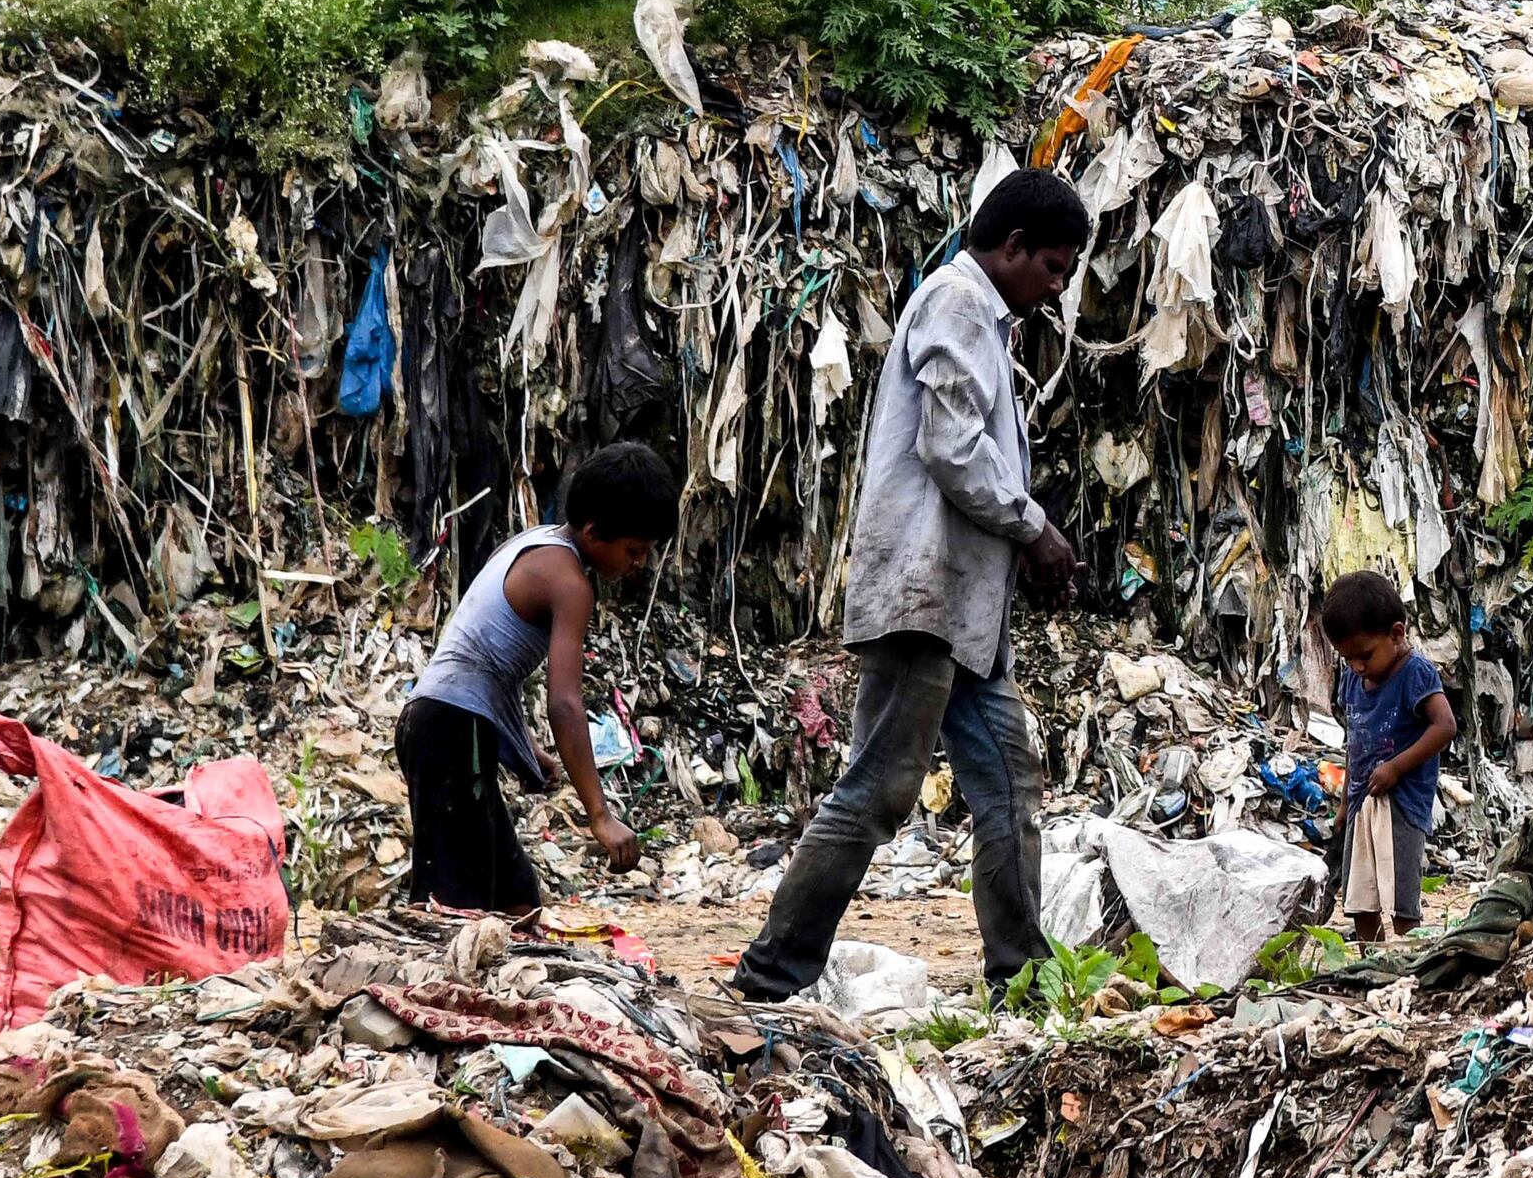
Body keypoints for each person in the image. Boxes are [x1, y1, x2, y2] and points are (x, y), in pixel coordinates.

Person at [733, 169, 1088, 1004]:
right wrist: (1032, 527)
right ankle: (770, 975)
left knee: (1008, 788)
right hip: (922, 600)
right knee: (879, 790)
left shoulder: (981, 317)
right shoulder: (957, 303)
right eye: (1053, 267)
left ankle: (1022, 981)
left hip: (961, 613)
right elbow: (951, 445)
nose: (1057, 287)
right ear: (1012, 247)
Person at [398, 441, 676, 917]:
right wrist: (600, 815)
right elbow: (564, 703)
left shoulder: (534, 543)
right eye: (634, 550)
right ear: (593, 531)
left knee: (516, 901)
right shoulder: (570, 584)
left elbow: (481, 656)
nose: (639, 563)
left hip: (440, 723)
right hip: (450, 731)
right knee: (453, 908)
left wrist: (522, 742)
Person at [1317, 571, 1454, 939]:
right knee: (1360, 900)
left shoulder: (1415, 674)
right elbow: (1355, 742)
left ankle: (1409, 965)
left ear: (1396, 633)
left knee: (1401, 902)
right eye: (1347, 658)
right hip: (1361, 800)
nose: (1357, 667)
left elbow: (1444, 726)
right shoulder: (1353, 679)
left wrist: (1396, 767)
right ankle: (1372, 964)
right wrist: (1345, 802)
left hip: (1401, 803)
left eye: (1364, 655)